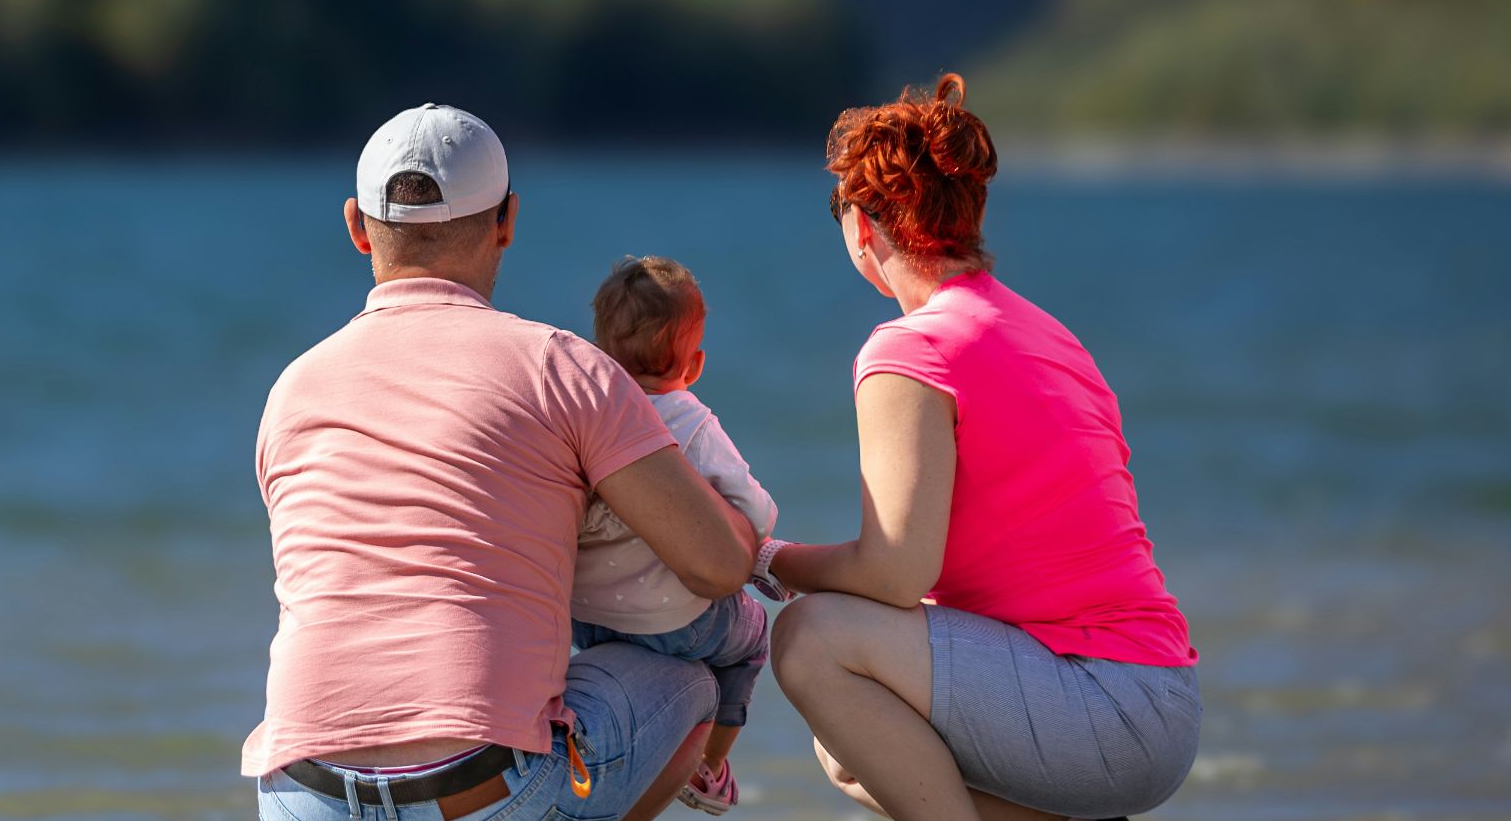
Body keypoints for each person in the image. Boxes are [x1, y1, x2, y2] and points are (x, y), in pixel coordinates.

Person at [247, 104, 760, 821]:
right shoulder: (562, 368)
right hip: (483, 790)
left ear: (358, 227)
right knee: (697, 674)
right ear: (507, 221)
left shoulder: (292, 390)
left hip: (300, 792)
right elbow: (717, 567)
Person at [754, 74, 1201, 821]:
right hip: (1162, 702)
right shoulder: (1048, 334)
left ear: (862, 229)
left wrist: (766, 558)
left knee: (811, 641)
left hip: (1102, 703)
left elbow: (894, 573)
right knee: (850, 746)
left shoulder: (909, 348)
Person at [572, 256, 778, 814]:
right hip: (675, 621)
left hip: (586, 620)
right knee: (751, 636)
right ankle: (711, 766)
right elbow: (756, 513)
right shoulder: (691, 423)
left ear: (599, 353)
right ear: (696, 362)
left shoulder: (583, 417)